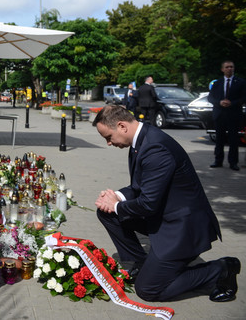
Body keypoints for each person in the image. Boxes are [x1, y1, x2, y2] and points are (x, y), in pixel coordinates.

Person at [92, 105, 240, 303]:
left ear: (121, 126)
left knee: (147, 290)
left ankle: (220, 270)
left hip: (183, 227)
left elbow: (148, 204)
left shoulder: (155, 148)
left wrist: (116, 205)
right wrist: (116, 196)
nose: (109, 143)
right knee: (106, 212)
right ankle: (145, 263)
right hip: (163, 215)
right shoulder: (141, 139)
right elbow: (141, 187)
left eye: (108, 137)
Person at [208, 60, 246, 171]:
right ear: (222, 69)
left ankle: (233, 162)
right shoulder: (217, 83)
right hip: (220, 114)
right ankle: (218, 160)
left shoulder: (241, 82)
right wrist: (219, 102)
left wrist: (232, 103)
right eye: (227, 67)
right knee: (219, 139)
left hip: (233, 114)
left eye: (231, 67)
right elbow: (210, 98)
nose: (229, 69)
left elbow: (244, 97)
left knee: (233, 140)